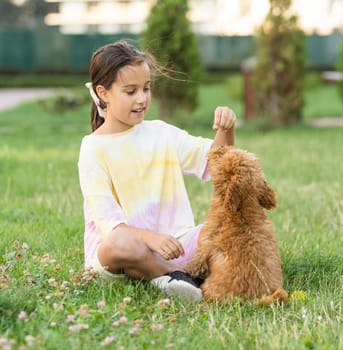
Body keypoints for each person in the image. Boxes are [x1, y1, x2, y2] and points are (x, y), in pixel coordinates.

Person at [78, 40, 236, 303]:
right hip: (120, 255)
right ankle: (179, 277)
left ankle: (163, 279)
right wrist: (151, 240)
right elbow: (110, 227)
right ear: (103, 93)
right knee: (124, 245)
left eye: (146, 89)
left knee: (230, 229)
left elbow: (218, 164)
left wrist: (226, 129)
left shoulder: (161, 132)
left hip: (175, 244)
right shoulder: (93, 148)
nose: (141, 99)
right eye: (130, 91)